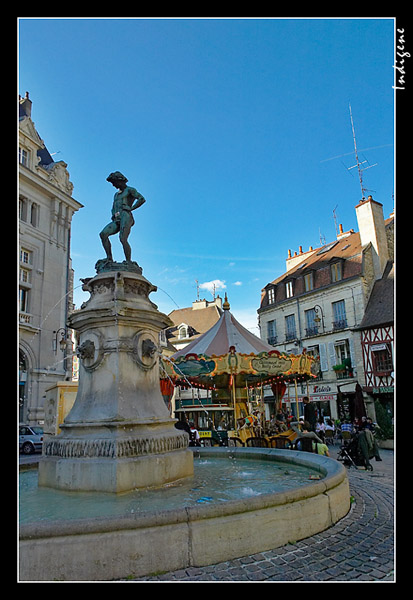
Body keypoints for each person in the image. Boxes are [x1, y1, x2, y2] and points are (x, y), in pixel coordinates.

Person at [100, 171, 146, 263]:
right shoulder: (116, 194)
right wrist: (113, 214)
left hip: (126, 216)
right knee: (103, 234)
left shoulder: (130, 190)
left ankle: (128, 261)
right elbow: (114, 206)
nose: (113, 185)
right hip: (116, 219)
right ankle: (109, 258)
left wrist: (131, 208)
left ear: (120, 180)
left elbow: (142, 199)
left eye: (114, 182)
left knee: (122, 238)